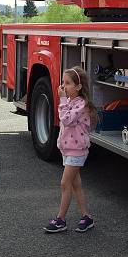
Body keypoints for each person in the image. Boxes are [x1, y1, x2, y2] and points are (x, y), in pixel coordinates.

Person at [44, 66, 96, 234]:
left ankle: (60, 219)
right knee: (76, 184)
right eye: (63, 83)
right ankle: (86, 216)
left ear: (78, 87)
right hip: (68, 149)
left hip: (77, 150)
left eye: (68, 83)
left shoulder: (80, 104)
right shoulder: (72, 102)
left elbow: (66, 120)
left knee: (65, 183)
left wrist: (62, 100)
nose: (63, 87)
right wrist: (66, 101)